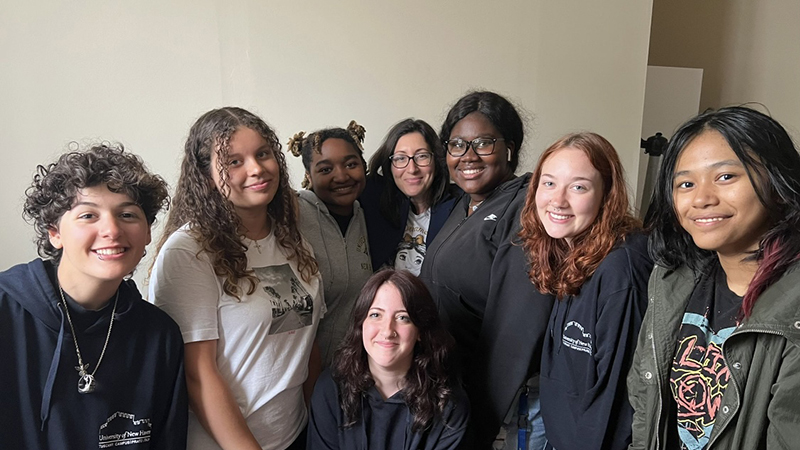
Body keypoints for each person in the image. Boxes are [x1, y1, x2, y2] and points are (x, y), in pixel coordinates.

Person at [150, 107, 323, 450]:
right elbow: (198, 376)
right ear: (206, 176)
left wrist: (318, 428)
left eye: (262, 154)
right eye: (234, 161)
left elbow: (306, 343)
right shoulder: (189, 252)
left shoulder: (293, 241)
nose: (256, 169)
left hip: (293, 434)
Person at [627, 106, 800, 449]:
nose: (702, 199)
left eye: (725, 177)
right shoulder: (671, 280)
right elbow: (645, 401)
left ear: (779, 185)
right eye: (686, 183)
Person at [0, 144, 186, 449]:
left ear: (148, 233)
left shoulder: (160, 336)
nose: (111, 230)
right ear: (54, 233)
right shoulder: (6, 312)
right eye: (88, 215)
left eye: (127, 214)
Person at [419, 91, 554, 450]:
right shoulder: (466, 204)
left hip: (503, 407)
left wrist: (480, 419)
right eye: (457, 145)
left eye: (483, 143)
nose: (468, 156)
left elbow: (518, 329)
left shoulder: (524, 209)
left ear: (509, 147)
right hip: (456, 388)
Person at [518, 132, 652, 450]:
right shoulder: (574, 250)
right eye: (549, 183)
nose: (558, 200)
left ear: (607, 195)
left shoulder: (621, 271)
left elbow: (617, 405)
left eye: (579, 187)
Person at [307, 269, 469, 449]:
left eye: (403, 318)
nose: (387, 331)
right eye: (376, 315)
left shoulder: (448, 405)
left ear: (420, 331)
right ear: (361, 325)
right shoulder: (330, 389)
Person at [287, 121, 373, 367]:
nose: (341, 176)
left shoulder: (367, 215)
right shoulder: (290, 212)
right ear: (308, 176)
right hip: (301, 374)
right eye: (325, 169)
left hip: (354, 370)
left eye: (351, 164)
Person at [361, 118, 460, 274]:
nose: (412, 169)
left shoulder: (460, 205)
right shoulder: (372, 199)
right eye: (400, 158)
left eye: (422, 156)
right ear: (390, 165)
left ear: (436, 160)